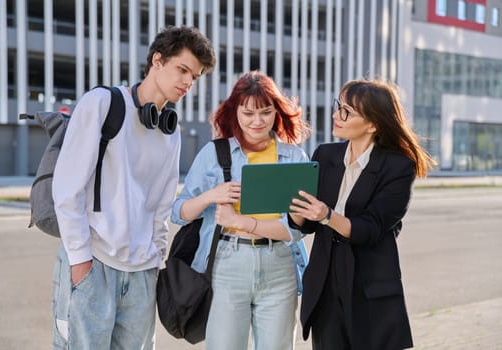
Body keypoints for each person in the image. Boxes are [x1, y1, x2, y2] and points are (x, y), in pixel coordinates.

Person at [51, 25, 215, 349]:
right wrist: (81, 260)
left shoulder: (171, 131)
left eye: (194, 77)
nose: (187, 82)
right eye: (182, 69)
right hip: (93, 264)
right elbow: (67, 189)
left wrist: (155, 260)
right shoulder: (102, 103)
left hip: (141, 273)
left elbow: (162, 203)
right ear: (157, 60)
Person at [288, 79, 436, 350]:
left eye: (346, 111)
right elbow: (307, 224)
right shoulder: (324, 154)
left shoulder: (398, 167)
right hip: (324, 287)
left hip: (368, 288)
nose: (336, 115)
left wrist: (327, 215)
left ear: (372, 124)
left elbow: (371, 229)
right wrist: (294, 208)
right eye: (338, 107)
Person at [170, 70, 311, 350]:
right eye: (248, 113)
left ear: (276, 112)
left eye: (265, 112)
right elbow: (178, 212)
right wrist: (211, 196)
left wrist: (240, 221)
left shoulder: (294, 157)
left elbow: (295, 230)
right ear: (234, 112)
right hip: (227, 263)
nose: (257, 121)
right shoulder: (214, 154)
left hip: (279, 265)